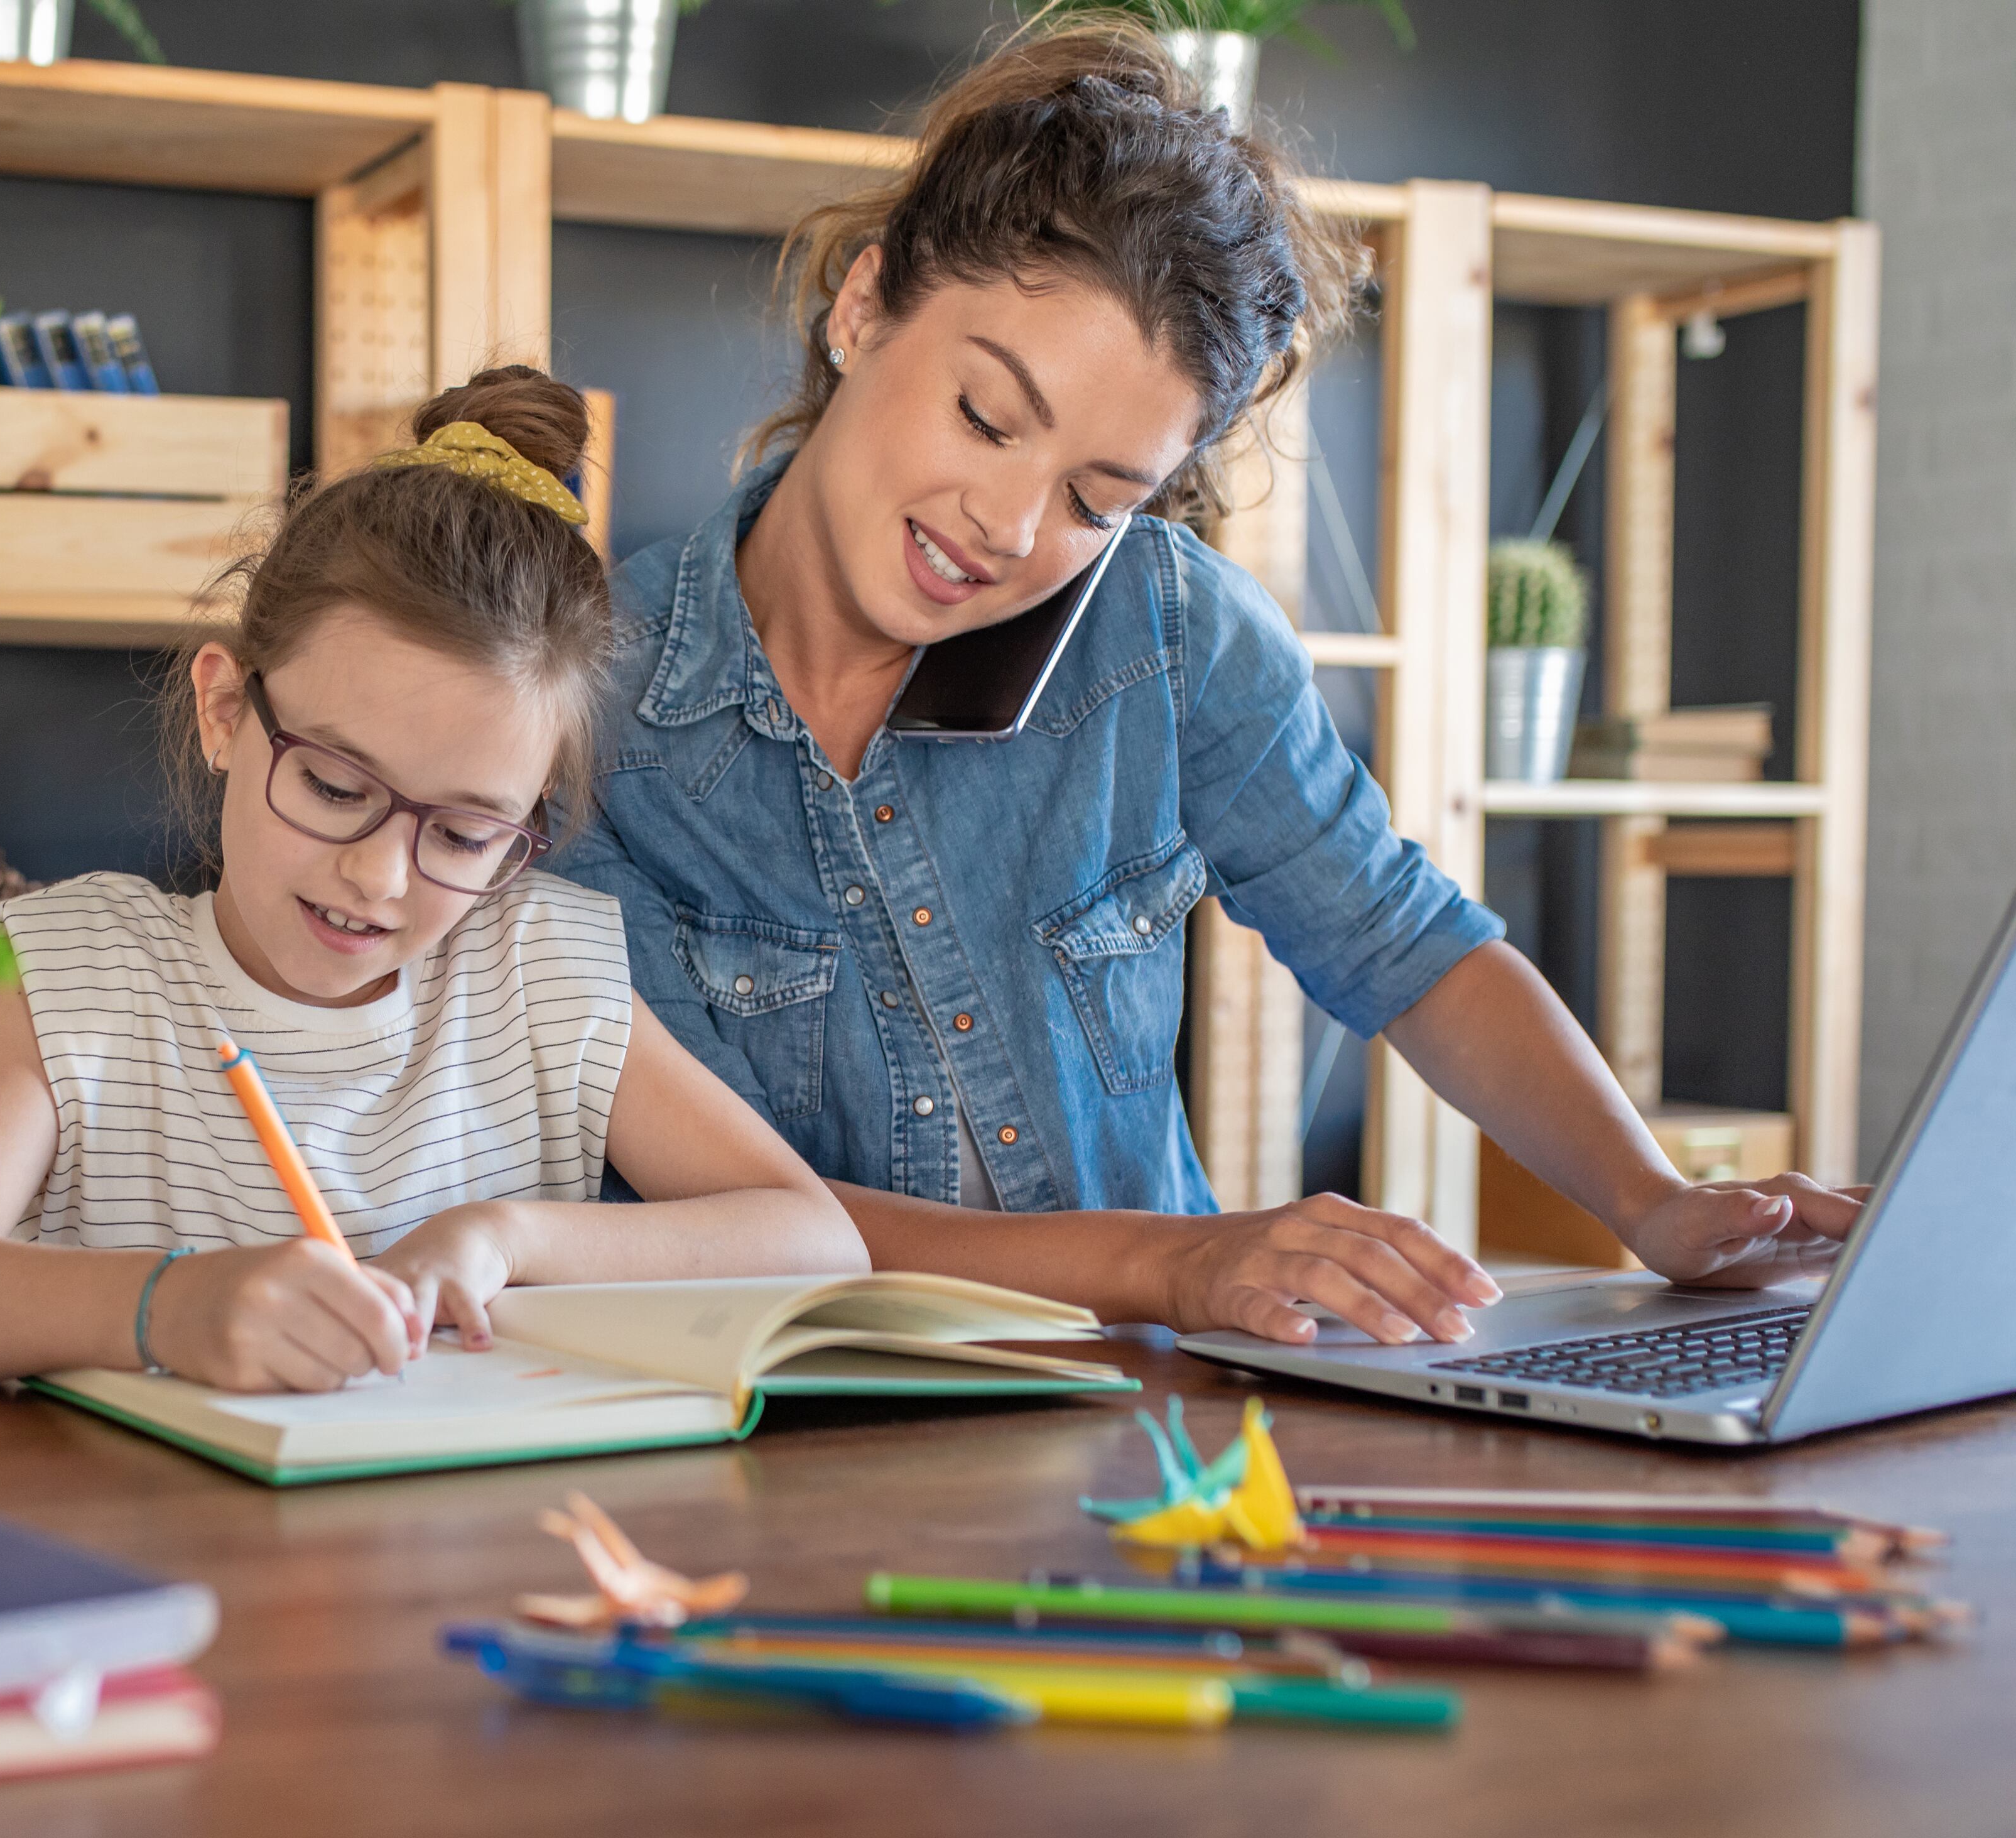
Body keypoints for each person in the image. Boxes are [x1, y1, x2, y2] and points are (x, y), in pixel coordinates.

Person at [552, 24, 1861, 1348]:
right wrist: (1175, 1261)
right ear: (863, 304)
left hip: (1141, 1431)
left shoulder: (1167, 631)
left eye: (1094, 497)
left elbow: (1410, 950)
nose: (1008, 525)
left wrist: (1653, 1202)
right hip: (769, 1440)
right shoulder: (584, 700)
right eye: (987, 418)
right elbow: (729, 1205)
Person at [0, 370, 866, 1395]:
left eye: (463, 835)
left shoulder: (536, 973)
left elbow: (819, 1241)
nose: (378, 876)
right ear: (226, 710)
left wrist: (503, 1236)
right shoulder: (80, 976)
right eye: (331, 784)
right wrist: (167, 1308)